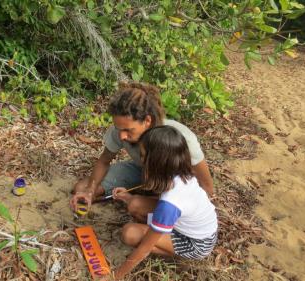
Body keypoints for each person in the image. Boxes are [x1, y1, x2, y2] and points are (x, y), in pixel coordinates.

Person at [69, 82, 214, 220]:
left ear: (147, 121)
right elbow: (104, 160)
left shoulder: (179, 137)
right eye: (118, 128)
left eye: (128, 130)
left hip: (172, 185)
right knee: (81, 188)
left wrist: (180, 213)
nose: (122, 136)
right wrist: (89, 191)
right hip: (141, 171)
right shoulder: (121, 129)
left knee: (137, 207)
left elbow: (207, 187)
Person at [108, 126, 218, 280]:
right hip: (194, 226)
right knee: (134, 203)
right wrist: (127, 197)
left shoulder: (170, 202)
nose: (141, 160)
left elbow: (145, 248)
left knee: (130, 234)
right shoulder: (179, 173)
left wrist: (114, 276)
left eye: (143, 156)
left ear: (156, 162)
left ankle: (179, 257)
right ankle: (160, 232)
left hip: (196, 244)